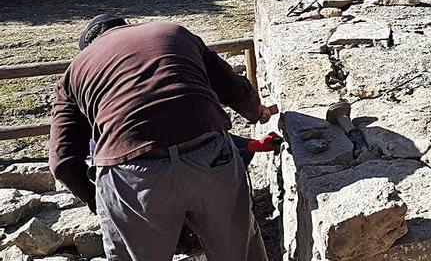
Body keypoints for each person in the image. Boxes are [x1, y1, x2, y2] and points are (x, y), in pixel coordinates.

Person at [49, 15, 272, 261]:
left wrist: (99, 203)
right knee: (239, 253)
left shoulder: (74, 72)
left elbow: (62, 162)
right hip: (209, 154)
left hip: (131, 173)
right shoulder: (173, 32)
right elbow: (234, 88)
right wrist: (256, 112)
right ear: (128, 25)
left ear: (89, 46)